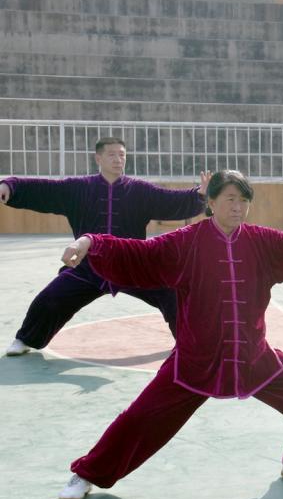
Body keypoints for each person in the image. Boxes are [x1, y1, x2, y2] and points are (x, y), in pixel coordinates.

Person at [53, 170, 283, 499]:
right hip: (196, 361)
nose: (238, 207)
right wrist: (90, 242)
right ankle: (87, 474)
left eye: (243, 200)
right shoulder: (185, 242)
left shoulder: (262, 242)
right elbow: (140, 253)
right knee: (141, 419)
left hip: (252, 357)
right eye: (230, 199)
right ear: (211, 202)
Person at [0, 137, 208, 357]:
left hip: (134, 265)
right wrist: (10, 186)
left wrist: (199, 195)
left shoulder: (140, 191)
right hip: (88, 267)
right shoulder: (77, 188)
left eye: (122, 155)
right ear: (98, 158)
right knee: (50, 299)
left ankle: (190, 343)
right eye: (112, 155)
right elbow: (44, 190)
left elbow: (172, 200)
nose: (118, 160)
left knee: (174, 295)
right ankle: (25, 339)